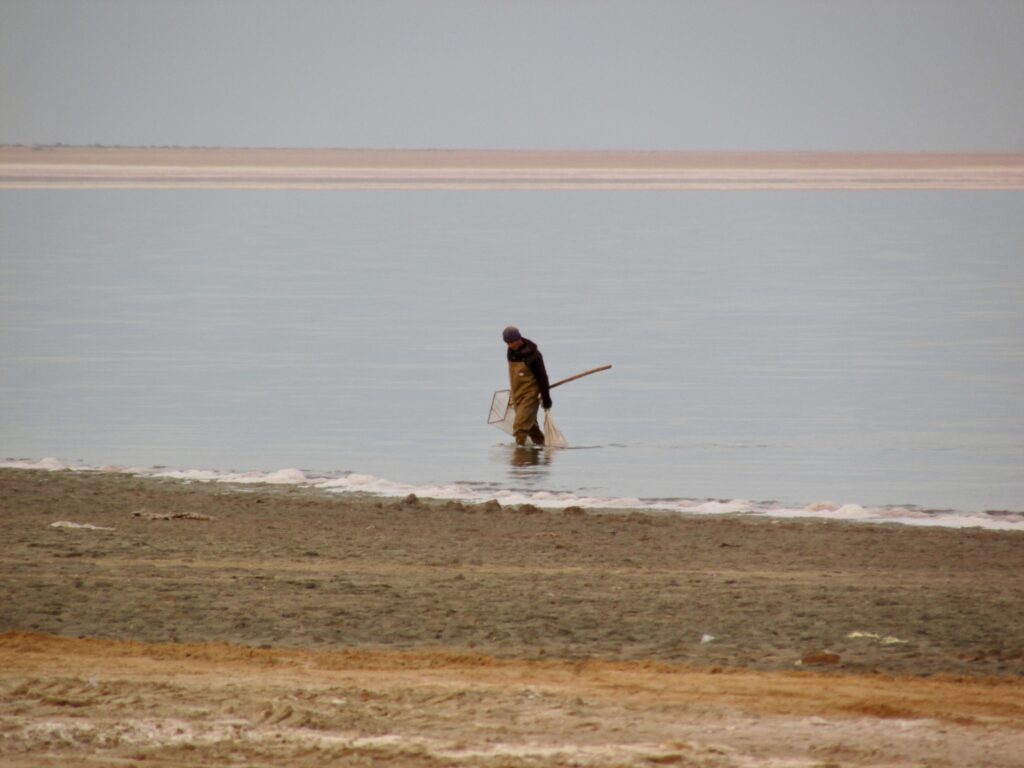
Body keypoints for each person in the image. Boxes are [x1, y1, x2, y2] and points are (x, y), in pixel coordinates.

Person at [502, 325, 552, 446]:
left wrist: (546, 399)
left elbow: (543, 378)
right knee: (530, 427)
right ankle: (542, 448)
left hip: (530, 396)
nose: (510, 345)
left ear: (519, 339)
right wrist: (512, 396)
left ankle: (520, 458)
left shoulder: (533, 355)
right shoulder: (510, 352)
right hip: (516, 394)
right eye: (507, 343)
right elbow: (515, 377)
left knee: (520, 427)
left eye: (512, 342)